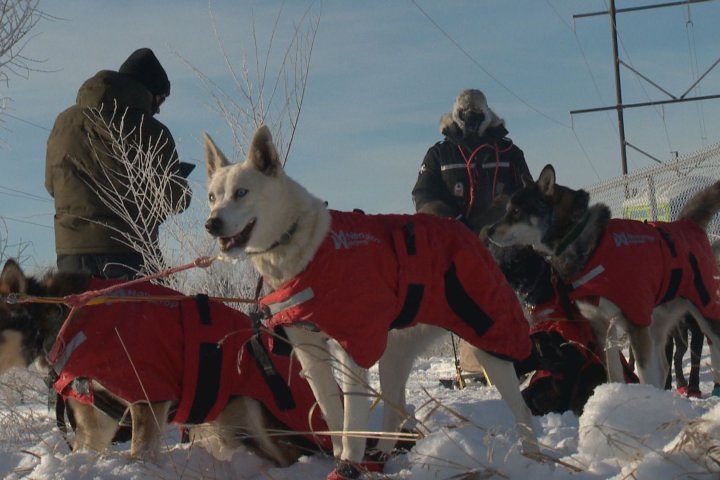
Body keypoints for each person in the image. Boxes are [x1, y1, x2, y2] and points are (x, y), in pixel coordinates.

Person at [412, 88, 531, 385]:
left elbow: (529, 195)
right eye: (465, 115)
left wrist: (508, 216)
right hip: (459, 242)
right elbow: (423, 195)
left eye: (476, 114)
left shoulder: (509, 153)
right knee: (470, 302)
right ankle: (477, 364)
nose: (471, 120)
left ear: (486, 114)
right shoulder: (439, 155)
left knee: (513, 298)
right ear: (456, 115)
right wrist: (453, 222)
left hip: (504, 242)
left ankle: (524, 354)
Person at [45, 48, 192, 279]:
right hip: (130, 251)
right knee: (145, 313)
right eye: (161, 99)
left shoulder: (63, 123)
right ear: (148, 92)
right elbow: (174, 200)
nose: (159, 108)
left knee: (85, 315)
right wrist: (179, 181)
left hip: (71, 253)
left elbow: (51, 185)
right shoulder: (152, 131)